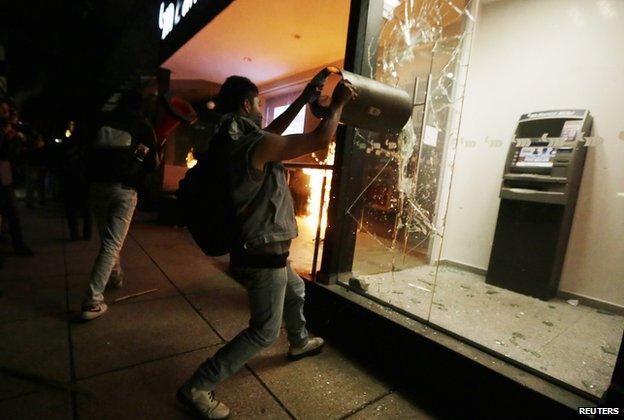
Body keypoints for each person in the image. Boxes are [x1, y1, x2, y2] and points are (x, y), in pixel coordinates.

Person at [176, 76, 357, 419]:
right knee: (264, 331)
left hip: (260, 249)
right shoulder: (253, 146)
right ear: (247, 105)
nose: (260, 110)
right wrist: (338, 106)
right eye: (258, 103)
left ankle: (300, 341)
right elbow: (320, 139)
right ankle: (198, 386)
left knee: (297, 290)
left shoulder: (233, 140)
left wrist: (303, 100)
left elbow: (271, 131)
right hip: (263, 255)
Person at [81, 87, 164, 320]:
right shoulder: (142, 125)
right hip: (124, 190)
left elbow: (86, 153)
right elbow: (150, 165)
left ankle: (115, 275)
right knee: (111, 244)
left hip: (97, 188)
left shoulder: (103, 120)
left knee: (106, 238)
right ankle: (92, 301)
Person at [0, 99, 34, 256]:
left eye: (6, 111)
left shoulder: (10, 130)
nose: (6, 114)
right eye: (3, 111)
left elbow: (12, 155)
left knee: (12, 211)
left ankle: (18, 245)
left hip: (4, 171)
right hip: (2, 169)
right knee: (10, 210)